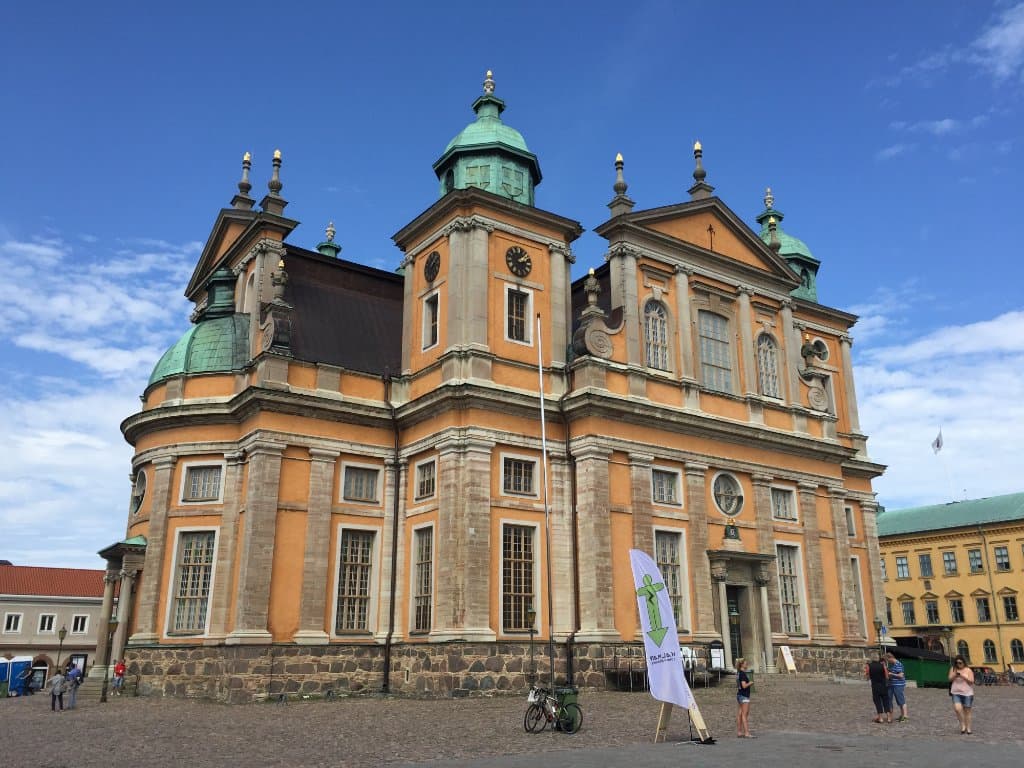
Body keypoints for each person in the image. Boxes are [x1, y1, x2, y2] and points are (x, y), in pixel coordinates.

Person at [948, 655, 975, 734]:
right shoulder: (953, 669)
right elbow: (949, 679)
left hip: (967, 693)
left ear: (963, 662)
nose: (958, 664)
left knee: (967, 711)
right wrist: (955, 675)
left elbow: (971, 682)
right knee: (957, 709)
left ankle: (968, 728)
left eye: (960, 663)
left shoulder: (968, 670)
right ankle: (963, 725)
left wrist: (963, 676)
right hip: (956, 692)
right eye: (957, 663)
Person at [864, 653, 891, 723]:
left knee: (877, 701)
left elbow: (867, 677)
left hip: (875, 686)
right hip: (883, 686)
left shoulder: (868, 665)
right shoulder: (883, 665)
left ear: (871, 658)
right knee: (886, 701)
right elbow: (887, 676)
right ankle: (889, 718)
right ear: (878, 658)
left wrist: (869, 677)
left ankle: (881, 718)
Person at [885, 652, 908, 722]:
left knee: (901, 700)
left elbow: (901, 675)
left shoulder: (898, 664)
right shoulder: (893, 664)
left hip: (898, 685)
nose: (887, 661)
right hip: (892, 684)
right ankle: (902, 715)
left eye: (887, 660)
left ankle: (905, 716)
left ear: (891, 658)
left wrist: (891, 673)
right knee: (896, 700)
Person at [735, 657, 754, 738]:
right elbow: (744, 686)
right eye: (745, 663)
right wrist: (750, 683)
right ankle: (746, 732)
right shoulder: (742, 674)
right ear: (742, 664)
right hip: (744, 696)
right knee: (744, 714)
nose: (747, 664)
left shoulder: (738, 673)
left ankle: (739, 732)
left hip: (739, 695)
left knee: (740, 714)